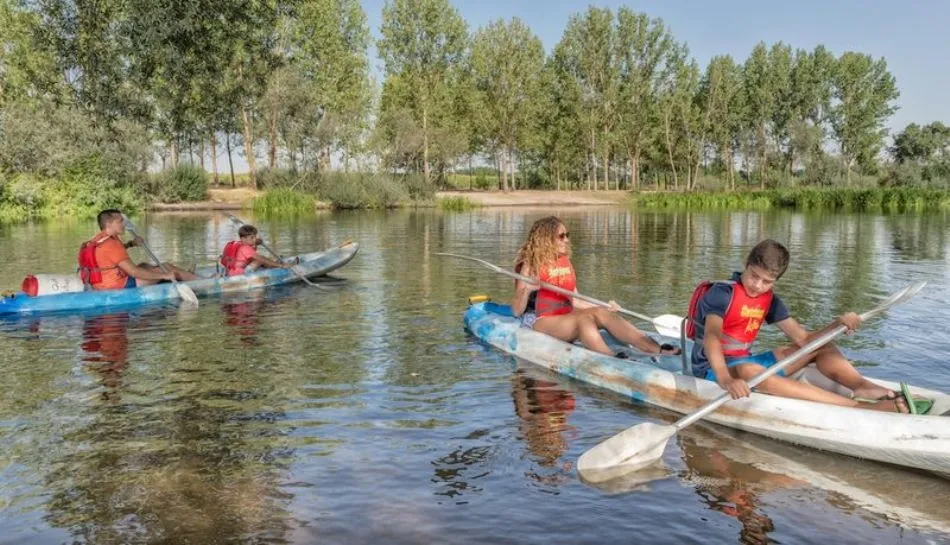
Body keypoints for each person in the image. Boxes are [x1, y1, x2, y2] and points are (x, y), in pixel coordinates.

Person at [690, 238, 907, 413]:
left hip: (745, 360)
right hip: (711, 368)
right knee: (749, 370)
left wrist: (838, 324)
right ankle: (857, 407)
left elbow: (803, 339)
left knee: (821, 347)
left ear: (776, 281)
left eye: (767, 282)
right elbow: (712, 337)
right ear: (746, 264)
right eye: (754, 276)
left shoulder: (770, 300)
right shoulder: (721, 294)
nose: (757, 286)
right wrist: (726, 379)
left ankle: (862, 387)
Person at [511, 216, 679, 358]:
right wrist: (528, 289)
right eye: (561, 236)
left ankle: (655, 349)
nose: (567, 240)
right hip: (539, 320)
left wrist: (606, 307)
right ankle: (609, 357)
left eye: (567, 235)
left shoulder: (564, 261)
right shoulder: (531, 265)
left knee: (601, 313)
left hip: (564, 316)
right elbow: (516, 311)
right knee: (584, 319)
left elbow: (575, 301)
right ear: (546, 239)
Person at [78, 209, 199, 290]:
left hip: (100, 282)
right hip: (118, 285)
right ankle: (201, 281)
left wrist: (131, 244)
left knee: (144, 265)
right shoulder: (112, 244)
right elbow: (134, 272)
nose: (124, 224)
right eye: (120, 221)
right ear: (109, 224)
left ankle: (185, 275)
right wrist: (165, 275)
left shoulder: (99, 239)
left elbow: (108, 257)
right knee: (167, 267)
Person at [219, 225, 292, 277]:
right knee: (261, 259)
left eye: (255, 237)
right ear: (243, 239)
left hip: (229, 271)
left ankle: (273, 264)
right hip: (240, 274)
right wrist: (281, 265)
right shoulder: (245, 248)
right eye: (252, 238)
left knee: (256, 259)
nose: (255, 239)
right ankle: (277, 266)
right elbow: (261, 259)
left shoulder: (236, 243)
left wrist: (256, 243)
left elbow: (250, 246)